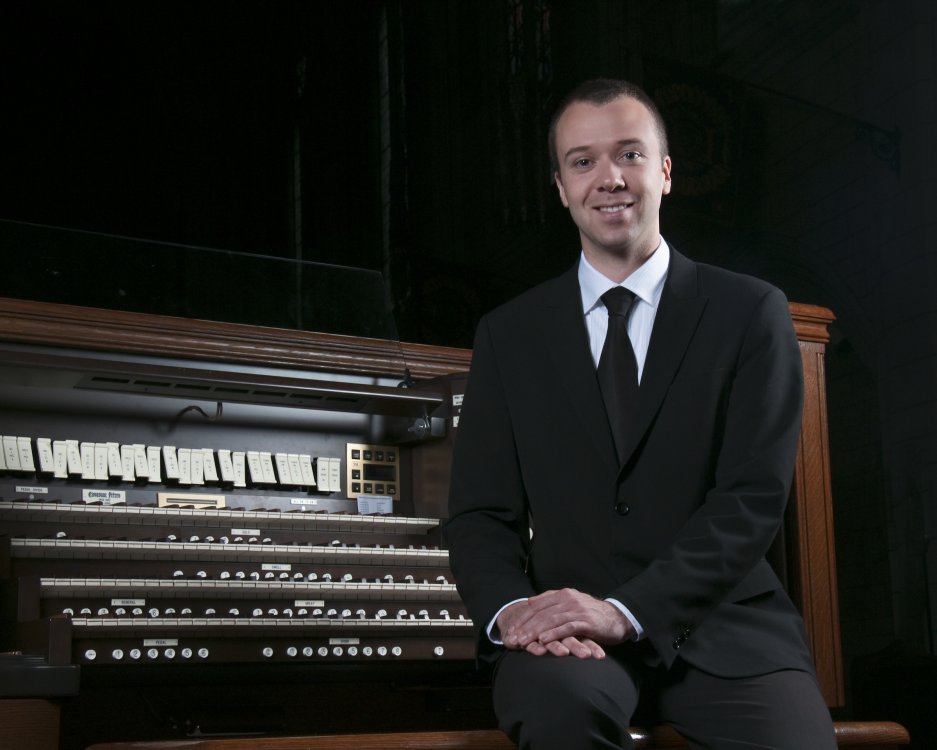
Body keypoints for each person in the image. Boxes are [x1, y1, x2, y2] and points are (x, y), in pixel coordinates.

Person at [443, 78, 837, 749]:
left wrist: (627, 611)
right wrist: (513, 614)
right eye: (583, 161)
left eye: (629, 154)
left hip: (725, 631)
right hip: (569, 640)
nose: (609, 178)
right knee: (556, 716)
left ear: (665, 171)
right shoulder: (509, 335)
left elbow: (751, 499)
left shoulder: (749, 312)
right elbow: (481, 513)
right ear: (561, 187)